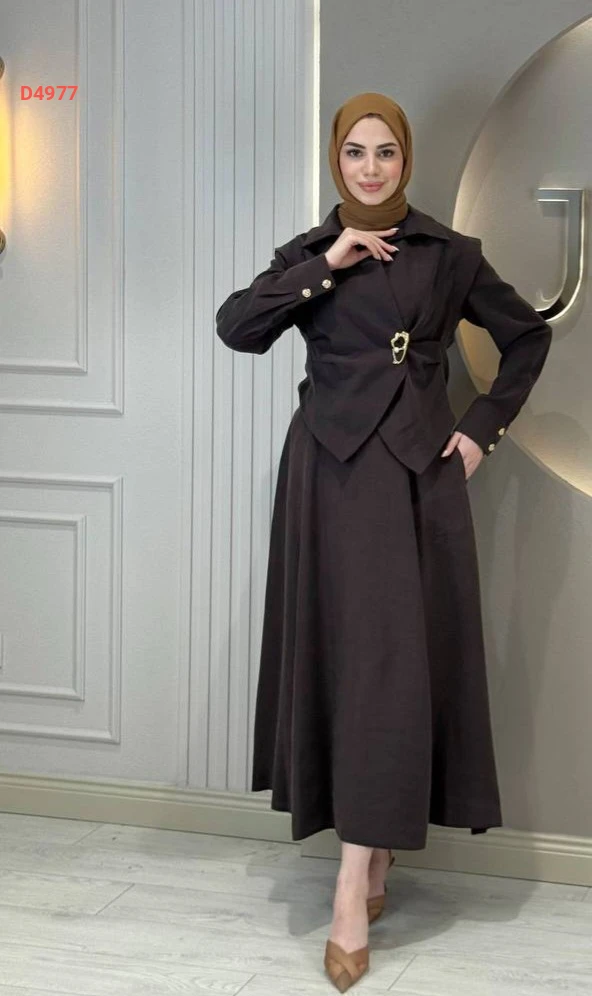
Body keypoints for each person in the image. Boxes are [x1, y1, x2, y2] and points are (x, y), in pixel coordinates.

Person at [216, 92, 552, 991]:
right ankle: (365, 860)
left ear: (406, 159)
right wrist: (327, 264)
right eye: (356, 153)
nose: (371, 169)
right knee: (345, 667)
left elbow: (525, 340)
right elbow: (237, 329)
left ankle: (353, 879)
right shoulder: (308, 253)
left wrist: (479, 433)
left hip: (413, 487)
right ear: (337, 160)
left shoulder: (449, 254)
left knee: (391, 675)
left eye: (386, 153)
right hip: (326, 483)